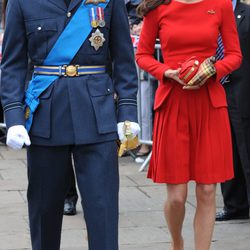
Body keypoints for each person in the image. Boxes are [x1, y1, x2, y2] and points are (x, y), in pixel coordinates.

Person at [1, 0, 140, 250]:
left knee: (103, 209)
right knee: (44, 212)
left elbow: (123, 57)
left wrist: (127, 110)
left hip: (97, 116)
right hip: (46, 117)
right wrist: (13, 117)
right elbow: (12, 64)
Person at [136, 0, 242, 249]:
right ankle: (177, 242)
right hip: (173, 102)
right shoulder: (158, 8)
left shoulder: (221, 5)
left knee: (207, 190)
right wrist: (166, 72)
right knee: (177, 197)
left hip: (209, 104)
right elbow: (142, 54)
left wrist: (213, 70)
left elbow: (235, 55)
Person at [216, 0, 250, 221]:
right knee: (225, 149)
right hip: (216, 88)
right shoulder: (210, 12)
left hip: (243, 89)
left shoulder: (246, 14)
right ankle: (234, 205)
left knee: (246, 149)